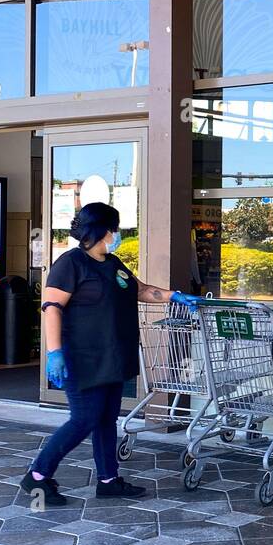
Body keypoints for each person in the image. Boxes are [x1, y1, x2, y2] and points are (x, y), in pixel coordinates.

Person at [21, 202, 203, 507]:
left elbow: (139, 290)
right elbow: (52, 308)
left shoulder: (112, 262)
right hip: (83, 357)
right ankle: (37, 476)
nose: (116, 234)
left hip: (113, 357)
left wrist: (175, 296)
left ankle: (108, 480)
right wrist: (55, 353)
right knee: (84, 419)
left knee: (106, 420)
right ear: (102, 229)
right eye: (114, 228)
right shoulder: (71, 263)